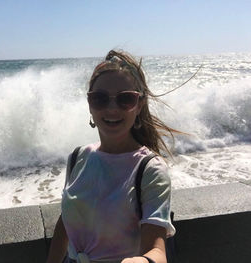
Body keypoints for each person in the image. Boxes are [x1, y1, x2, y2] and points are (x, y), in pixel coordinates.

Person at [46, 50, 180, 263]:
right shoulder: (77, 158)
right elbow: (65, 223)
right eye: (99, 99)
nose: (111, 108)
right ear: (90, 104)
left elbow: (157, 250)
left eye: (125, 99)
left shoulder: (150, 169)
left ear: (139, 105)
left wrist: (143, 261)